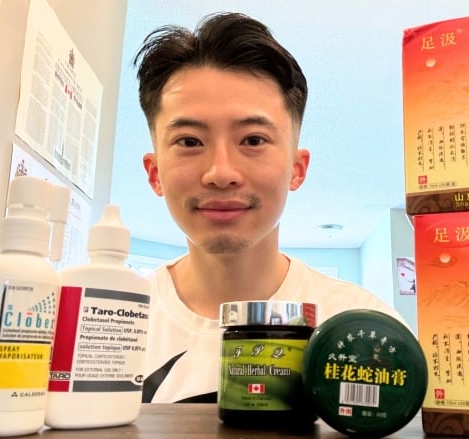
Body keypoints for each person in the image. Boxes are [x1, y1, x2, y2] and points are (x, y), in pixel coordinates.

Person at [133, 12, 407, 403]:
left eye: (254, 139)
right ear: (155, 172)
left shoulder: (364, 331)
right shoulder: (105, 330)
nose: (221, 173)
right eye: (190, 141)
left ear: (297, 169)